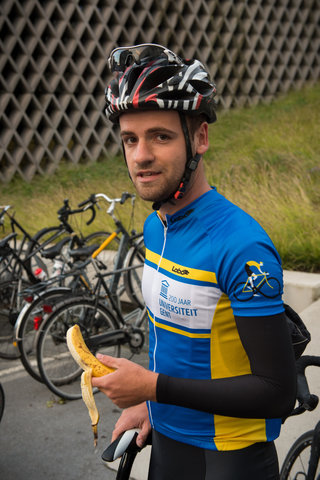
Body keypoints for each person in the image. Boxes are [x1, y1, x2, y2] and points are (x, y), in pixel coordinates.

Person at [92, 43, 297, 479]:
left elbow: (277, 393)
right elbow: (173, 344)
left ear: (199, 138)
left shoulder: (241, 246)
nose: (140, 155)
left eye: (160, 136)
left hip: (230, 456)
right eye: (130, 139)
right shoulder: (155, 229)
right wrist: (150, 405)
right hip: (167, 443)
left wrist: (149, 387)